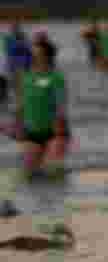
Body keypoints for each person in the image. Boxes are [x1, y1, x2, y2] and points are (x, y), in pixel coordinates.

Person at [14, 32, 69, 175]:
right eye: (34, 55)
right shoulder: (25, 77)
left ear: (47, 56)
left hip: (55, 132)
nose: (36, 58)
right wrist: (18, 125)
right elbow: (20, 104)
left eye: (39, 55)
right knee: (29, 173)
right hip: (32, 132)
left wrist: (60, 127)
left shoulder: (56, 77)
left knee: (53, 172)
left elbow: (61, 105)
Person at [4, 20, 31, 105]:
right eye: (13, 28)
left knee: (22, 87)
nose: (15, 29)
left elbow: (28, 52)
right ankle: (16, 103)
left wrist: (27, 65)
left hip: (22, 67)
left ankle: (22, 103)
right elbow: (9, 50)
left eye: (16, 27)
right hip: (13, 66)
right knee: (14, 86)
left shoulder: (23, 37)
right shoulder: (8, 38)